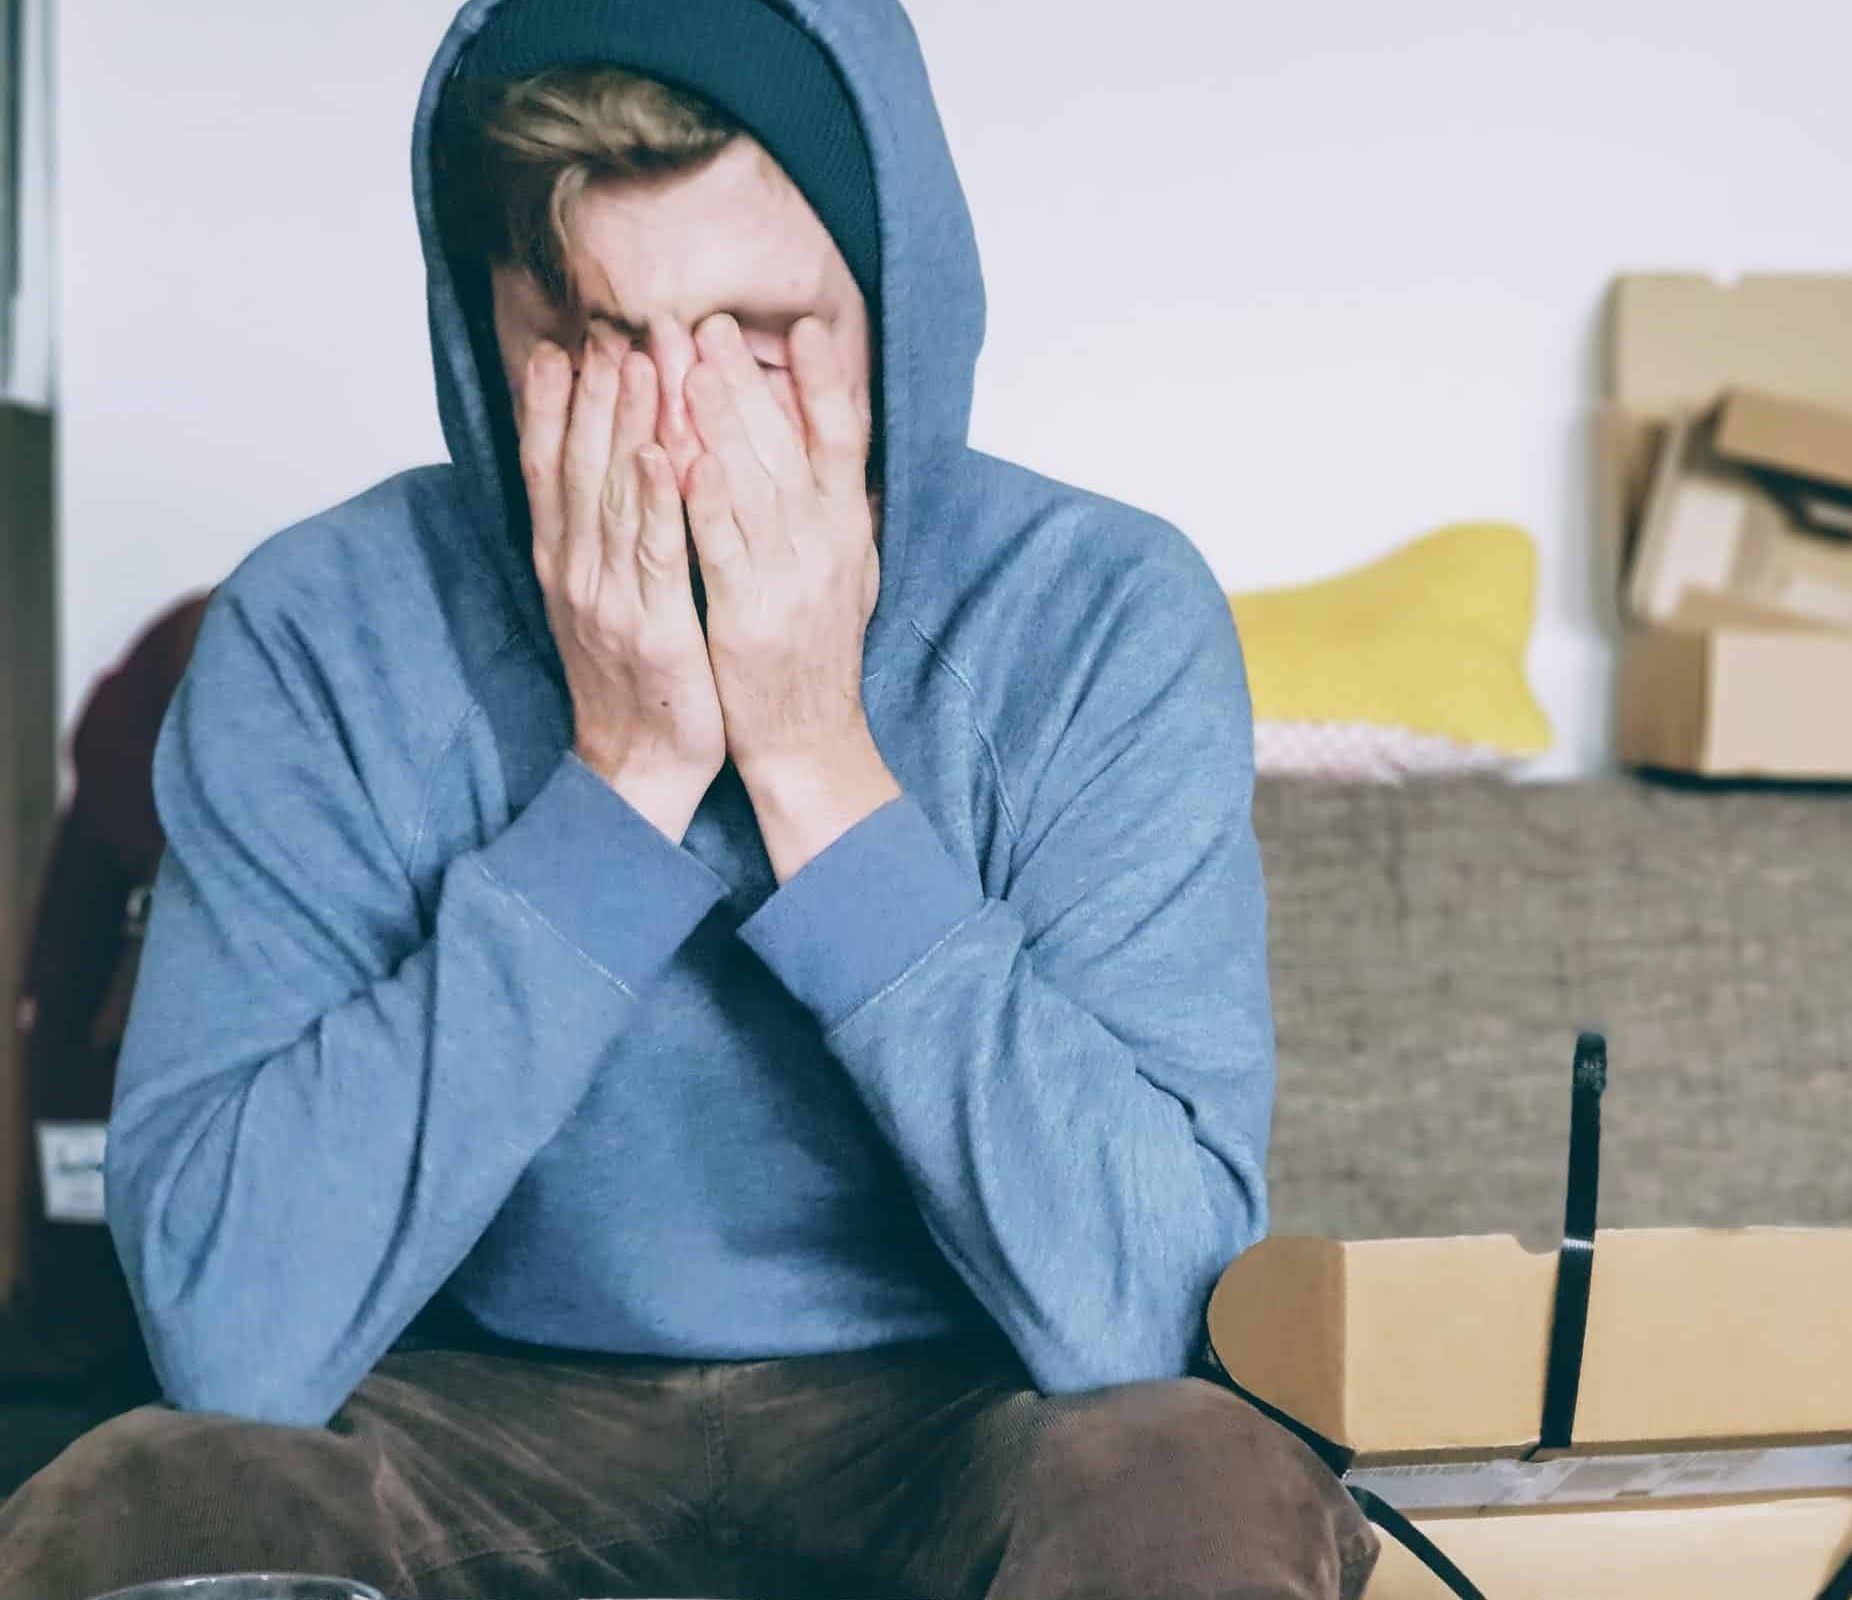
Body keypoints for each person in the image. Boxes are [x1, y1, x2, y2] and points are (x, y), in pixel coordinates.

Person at [0, 2, 1377, 1597]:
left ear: (894, 311)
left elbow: (1150, 1318)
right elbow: (235, 1339)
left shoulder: (1101, 614)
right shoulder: (317, 629)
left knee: (1187, 1473)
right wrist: (627, 773)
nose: (674, 432)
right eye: (587, 341)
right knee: (155, 1493)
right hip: (470, 1412)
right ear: (481, 333)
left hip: (966, 1413)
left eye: (763, 335)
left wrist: (812, 759)